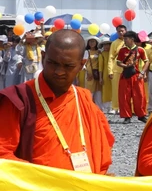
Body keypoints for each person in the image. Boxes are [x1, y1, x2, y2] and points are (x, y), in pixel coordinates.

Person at [0, 30, 114, 173]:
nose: (59, 72)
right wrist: (51, 181)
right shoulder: (19, 100)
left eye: (68, 66)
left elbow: (103, 146)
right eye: (53, 63)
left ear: (81, 65)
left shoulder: (83, 99)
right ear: (43, 57)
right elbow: (2, 155)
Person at [116, 31, 148, 123]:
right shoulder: (122, 50)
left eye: (126, 39)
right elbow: (118, 62)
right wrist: (124, 66)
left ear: (132, 39)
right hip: (125, 75)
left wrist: (142, 73)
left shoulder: (140, 50)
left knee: (139, 96)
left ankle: (141, 115)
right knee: (124, 96)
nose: (124, 40)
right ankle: (127, 116)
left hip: (137, 75)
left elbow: (146, 61)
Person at [107, 23, 127, 114]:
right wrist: (110, 70)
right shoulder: (114, 43)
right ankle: (115, 107)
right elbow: (111, 57)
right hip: (116, 69)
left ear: (125, 31)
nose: (121, 33)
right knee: (115, 89)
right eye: (119, 31)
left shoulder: (130, 42)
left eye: (122, 31)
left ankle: (125, 107)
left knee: (126, 89)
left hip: (127, 69)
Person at [83, 37, 103, 107]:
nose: (92, 43)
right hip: (90, 73)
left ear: (96, 43)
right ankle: (88, 106)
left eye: (93, 42)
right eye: (90, 42)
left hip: (98, 74)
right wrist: (87, 72)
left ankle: (98, 108)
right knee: (90, 91)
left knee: (98, 92)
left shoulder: (99, 52)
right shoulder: (87, 52)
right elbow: (83, 63)